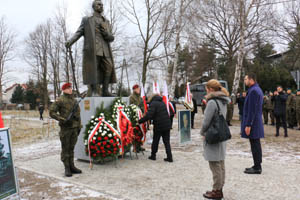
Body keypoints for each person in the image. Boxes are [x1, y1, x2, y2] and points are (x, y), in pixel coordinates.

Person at [65, 0, 117, 97]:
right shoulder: (87, 19)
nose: (101, 6)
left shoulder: (106, 21)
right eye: (99, 4)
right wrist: (70, 41)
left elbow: (111, 38)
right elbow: (79, 32)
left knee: (109, 67)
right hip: (93, 50)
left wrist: (106, 34)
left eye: (102, 5)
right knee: (94, 69)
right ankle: (94, 91)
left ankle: (105, 91)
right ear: (93, 7)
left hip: (105, 49)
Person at [200, 79, 230, 199]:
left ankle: (216, 190)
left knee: (214, 164)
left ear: (211, 89)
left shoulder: (212, 102)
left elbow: (206, 121)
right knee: (221, 163)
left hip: (213, 135)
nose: (206, 91)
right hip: (221, 134)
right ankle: (219, 188)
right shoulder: (223, 101)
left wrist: (202, 132)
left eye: (207, 89)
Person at [49, 83, 82, 177]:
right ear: (63, 90)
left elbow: (78, 115)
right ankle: (67, 168)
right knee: (65, 149)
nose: (70, 89)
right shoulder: (60, 100)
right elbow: (52, 112)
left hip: (75, 127)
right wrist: (62, 119)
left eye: (70, 88)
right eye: (68, 88)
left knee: (71, 148)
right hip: (66, 128)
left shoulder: (74, 100)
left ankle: (72, 166)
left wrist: (79, 126)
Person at [138, 94, 173, 162]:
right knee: (167, 142)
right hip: (167, 124)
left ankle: (153, 155)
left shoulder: (153, 103)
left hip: (159, 125)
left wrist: (140, 121)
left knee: (155, 141)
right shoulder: (162, 102)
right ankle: (169, 157)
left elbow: (149, 115)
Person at [242, 73, 264, 175]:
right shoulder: (255, 89)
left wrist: (248, 124)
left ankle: (257, 167)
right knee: (255, 143)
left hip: (253, 123)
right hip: (255, 122)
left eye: (246, 79)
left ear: (251, 80)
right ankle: (256, 165)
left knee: (255, 144)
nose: (244, 81)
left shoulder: (254, 91)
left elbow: (252, 110)